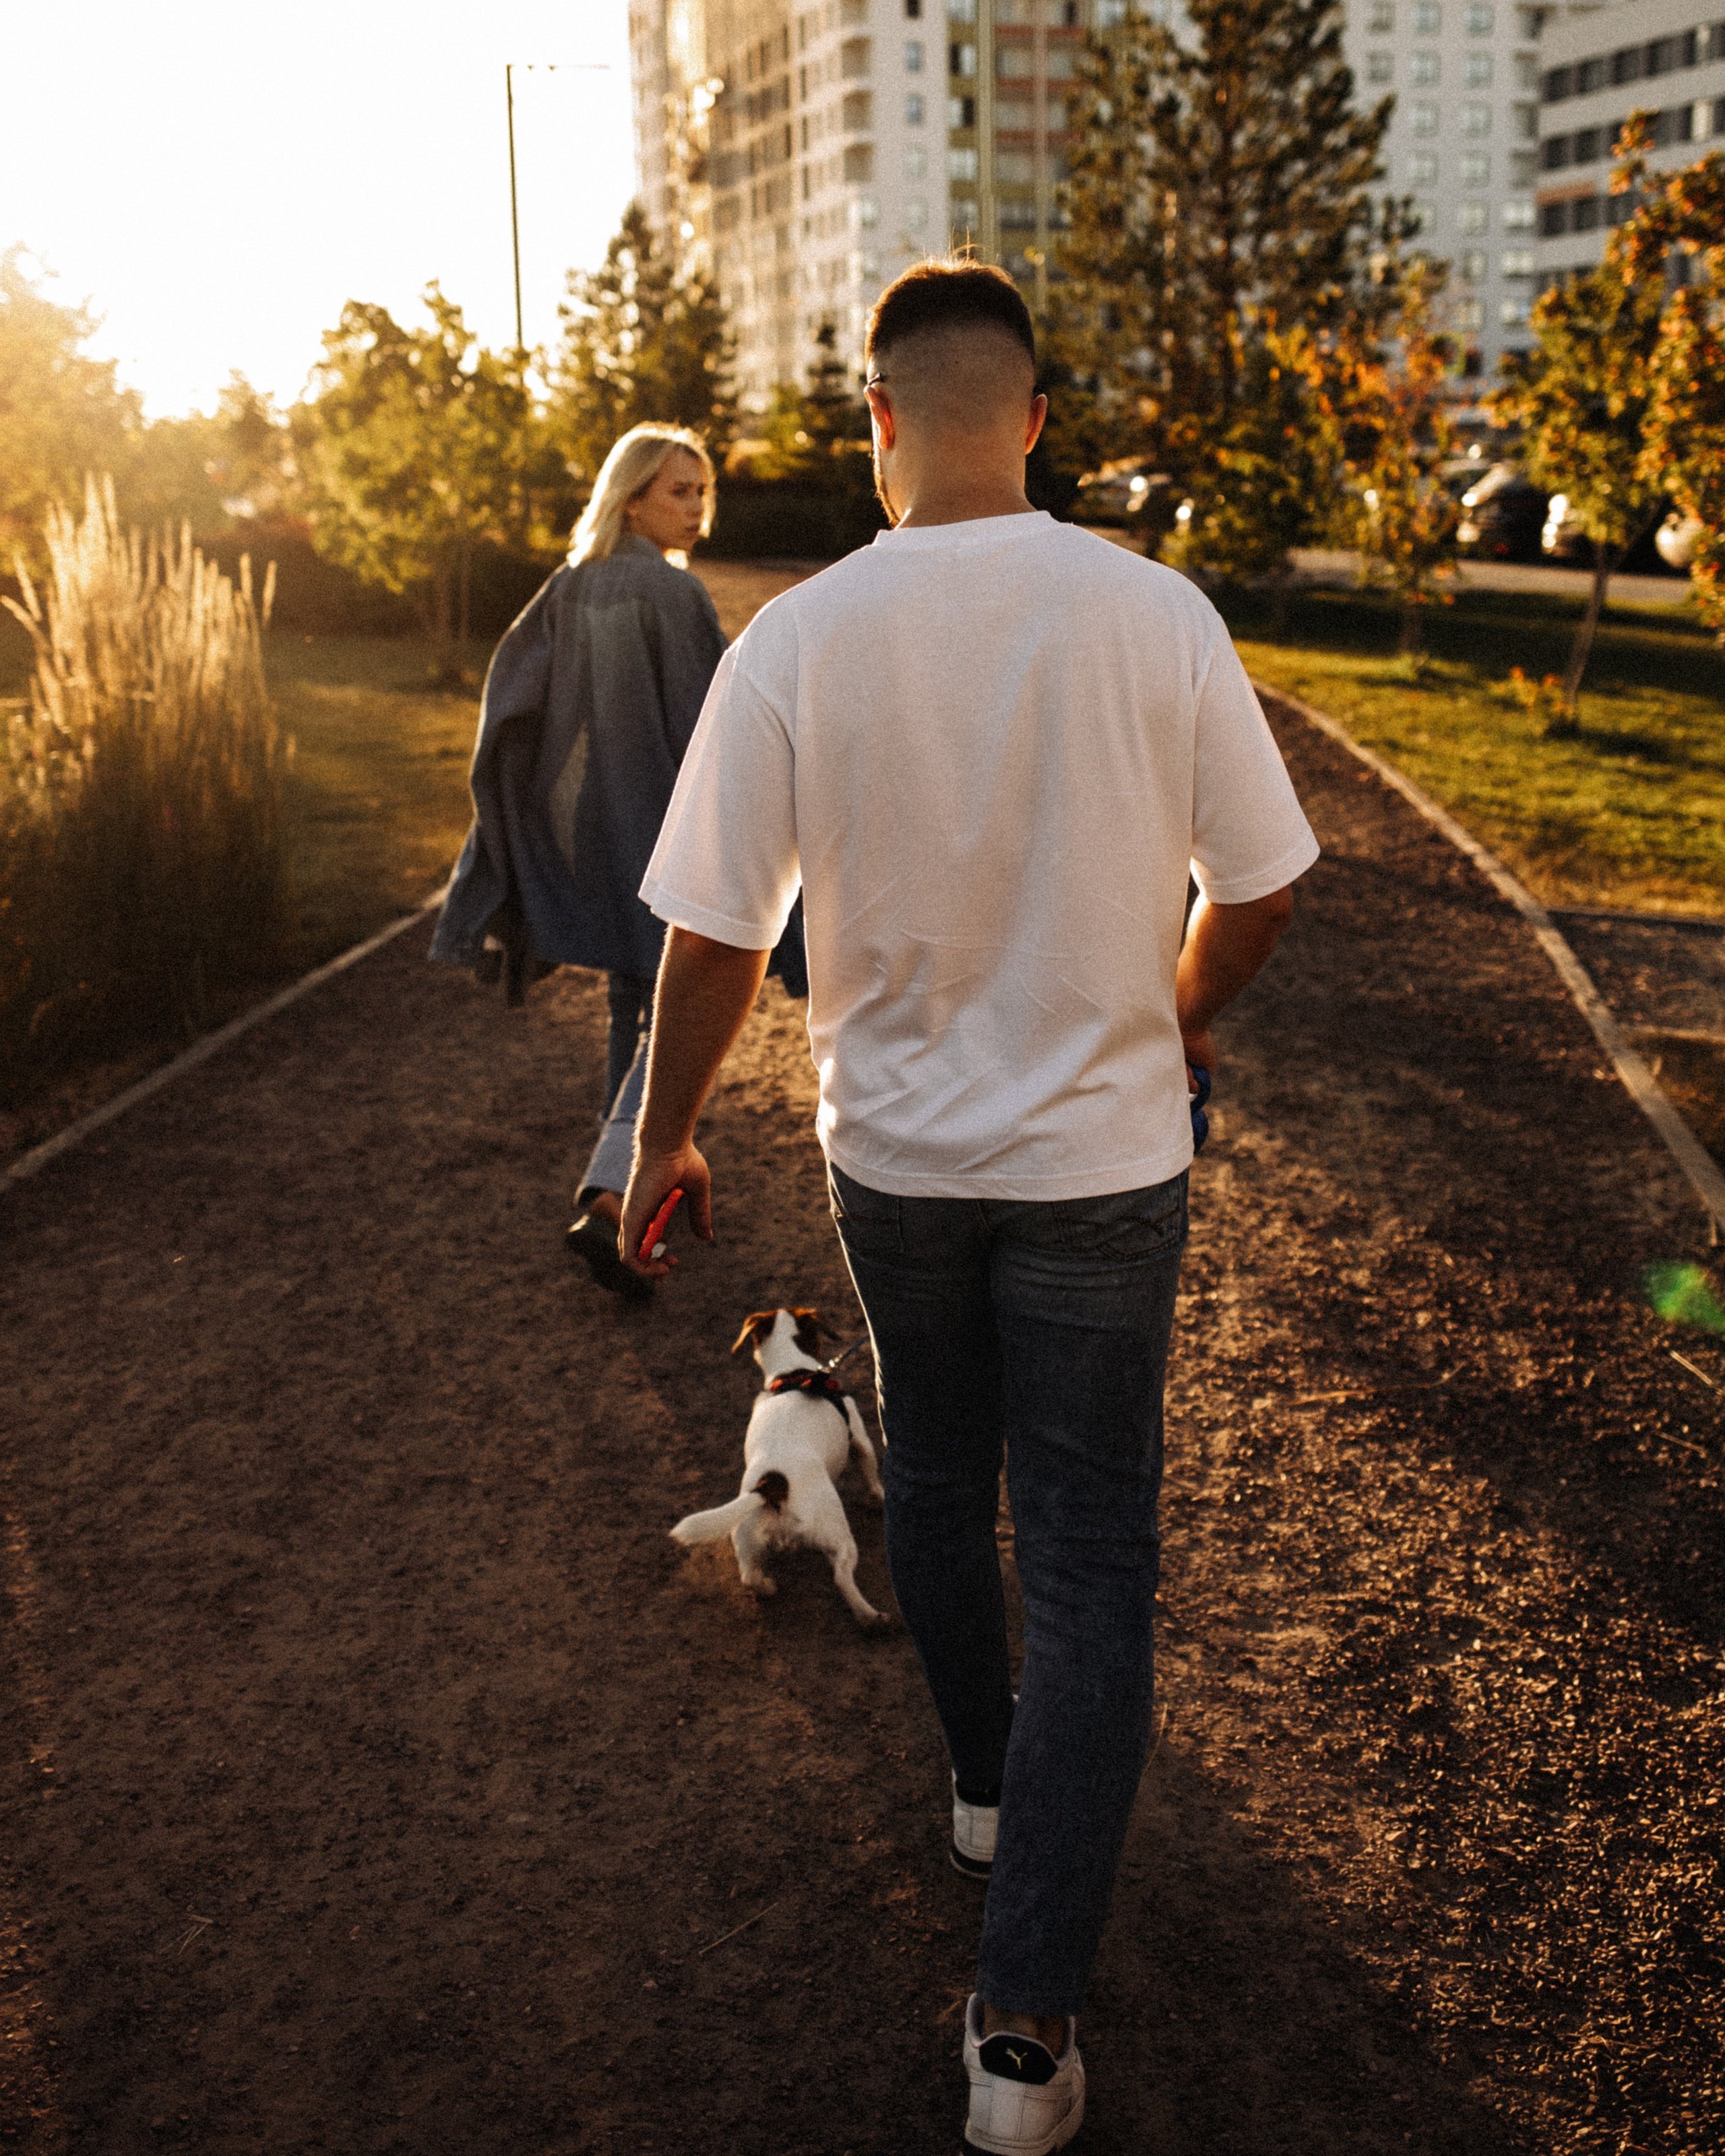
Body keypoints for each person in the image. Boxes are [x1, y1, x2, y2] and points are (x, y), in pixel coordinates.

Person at [617, 261, 1319, 2153]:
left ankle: (993, 1794)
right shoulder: (1151, 612)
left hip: (898, 1167)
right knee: (1088, 1552)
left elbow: (710, 933)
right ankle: (1022, 2031)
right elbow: (1257, 882)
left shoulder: (798, 638)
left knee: (934, 1477)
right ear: (1030, 419)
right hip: (1103, 1169)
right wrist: (1168, 1016)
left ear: (874, 425)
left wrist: (662, 1144)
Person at [430, 423, 802, 1301]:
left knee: (635, 1012)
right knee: (669, 1019)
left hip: (600, 838)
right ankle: (610, 1192)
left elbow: (508, 706)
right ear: (631, 496)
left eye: (703, 492)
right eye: (680, 491)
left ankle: (629, 1208)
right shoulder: (672, 600)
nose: (697, 509)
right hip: (669, 836)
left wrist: (520, 826)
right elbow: (723, 727)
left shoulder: (569, 587)